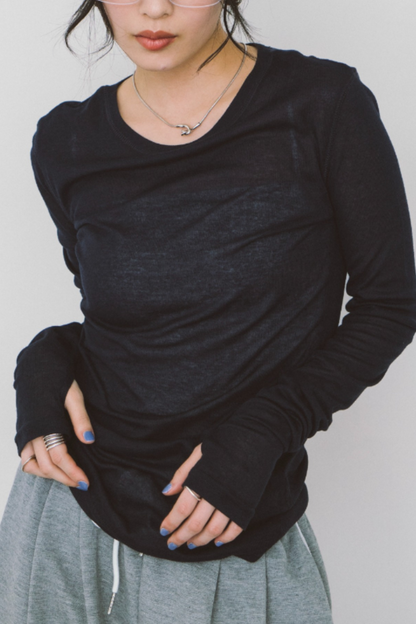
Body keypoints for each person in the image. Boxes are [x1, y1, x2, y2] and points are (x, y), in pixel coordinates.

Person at [1, 0, 416, 622]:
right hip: (65, 513)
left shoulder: (321, 104)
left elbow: (390, 305)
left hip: (232, 522)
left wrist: (266, 429)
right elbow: (129, 316)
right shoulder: (66, 140)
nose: (154, 8)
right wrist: (43, 359)